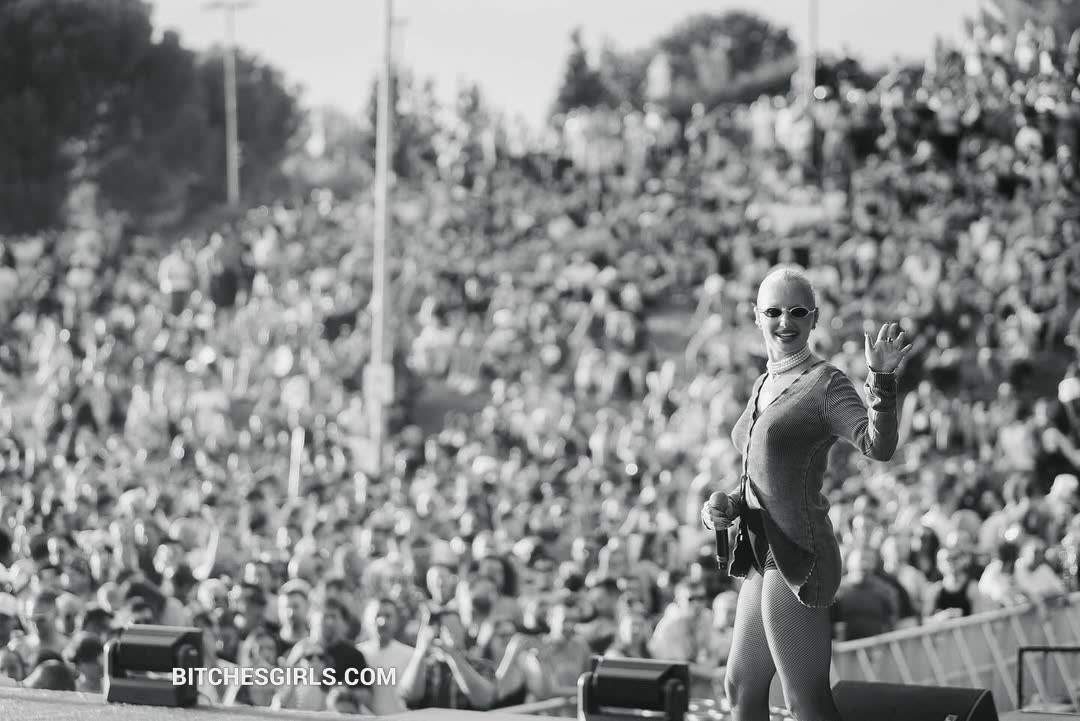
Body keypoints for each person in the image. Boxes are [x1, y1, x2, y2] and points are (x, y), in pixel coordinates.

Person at [702, 266, 911, 721]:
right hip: (761, 548)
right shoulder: (763, 383)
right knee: (740, 687)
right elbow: (762, 474)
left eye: (798, 311)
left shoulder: (826, 384)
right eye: (773, 311)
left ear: (814, 318)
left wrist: (881, 379)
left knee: (805, 701)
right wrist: (727, 505)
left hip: (798, 551)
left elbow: (878, 445)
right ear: (756, 316)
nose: (785, 321)